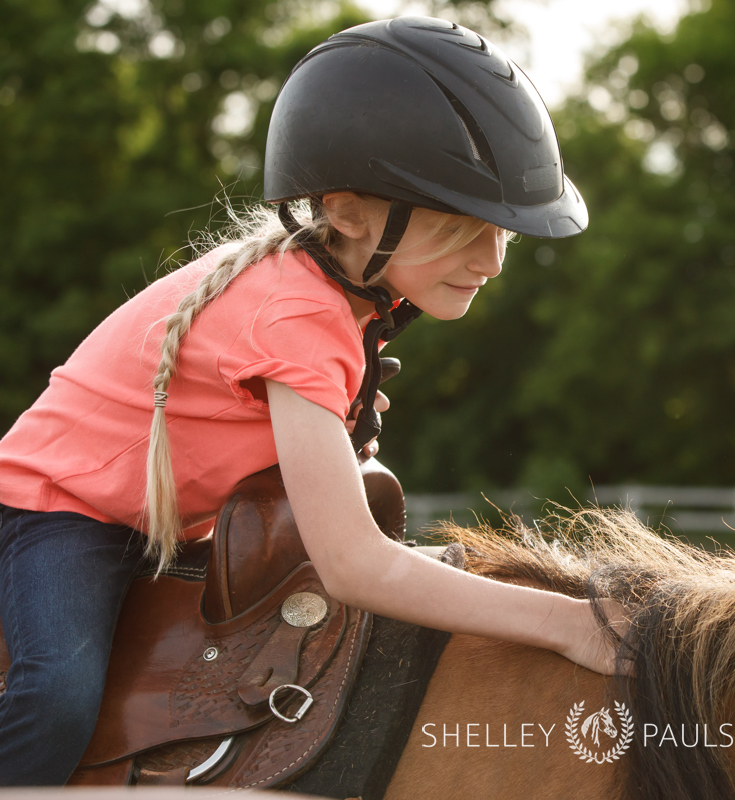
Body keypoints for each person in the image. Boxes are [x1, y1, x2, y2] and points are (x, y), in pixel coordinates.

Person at [0, 17, 621, 786]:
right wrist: (566, 624)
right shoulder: (297, 315)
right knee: (57, 693)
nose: (492, 260)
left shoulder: (341, 295)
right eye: (460, 225)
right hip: (54, 511)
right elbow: (355, 563)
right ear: (351, 212)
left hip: (150, 517)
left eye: (501, 232)